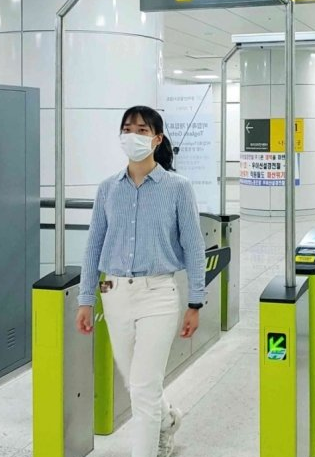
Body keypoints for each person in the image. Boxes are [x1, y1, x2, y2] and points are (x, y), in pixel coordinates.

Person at [75, 105, 206, 457]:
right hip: (113, 292)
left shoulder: (177, 187)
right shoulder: (108, 189)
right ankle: (168, 420)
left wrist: (195, 302)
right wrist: (85, 298)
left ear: (157, 139)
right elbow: (94, 245)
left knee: (145, 387)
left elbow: (194, 245)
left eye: (142, 130)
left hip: (158, 293)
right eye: (127, 129)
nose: (133, 135)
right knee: (136, 382)